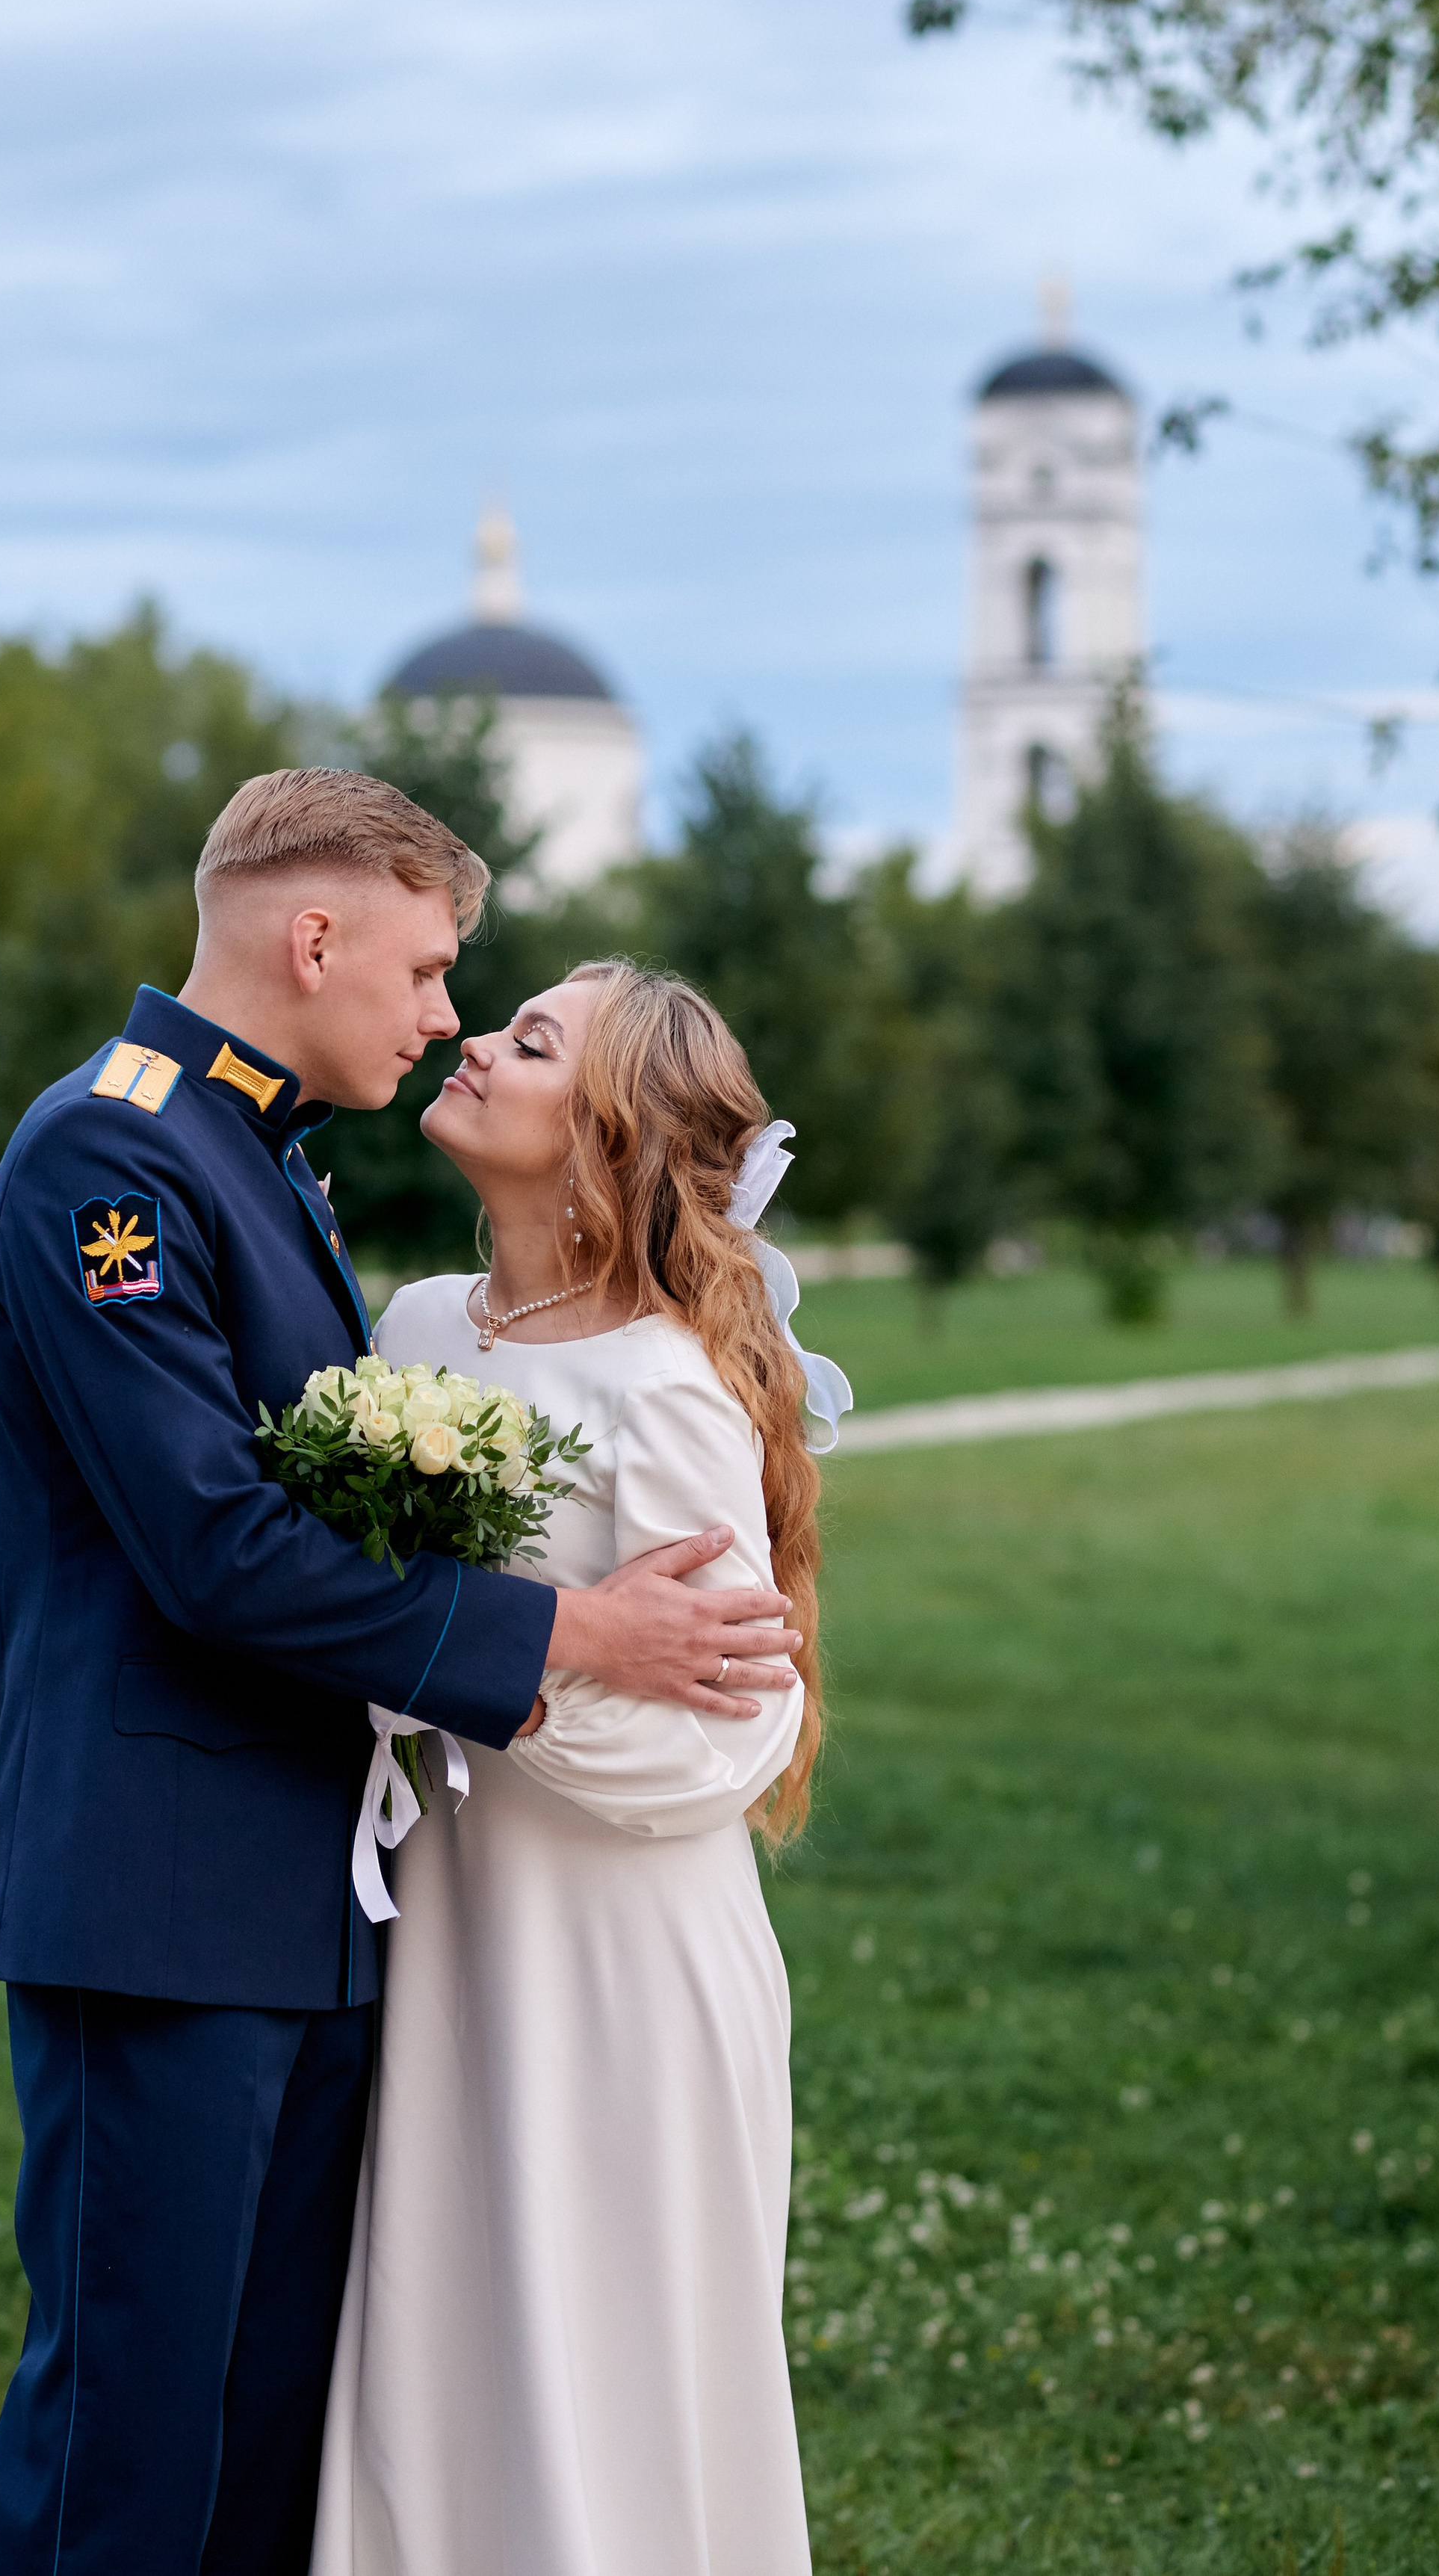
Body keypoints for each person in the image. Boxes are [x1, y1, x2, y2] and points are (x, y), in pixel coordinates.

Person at [0, 775, 800, 2576]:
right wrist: (571, 1633)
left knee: (270, 2436)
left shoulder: (254, 1155)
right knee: (131, 2433)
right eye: (431, 972)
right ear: (315, 935)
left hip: (325, 1906)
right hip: (165, 1890)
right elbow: (215, 1547)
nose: (439, 1020)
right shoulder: (108, 1157)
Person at [312, 957, 849, 2576]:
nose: (476, 1034)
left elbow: (725, 1726)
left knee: (601, 2362)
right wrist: (453, 1655)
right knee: (441, 2328)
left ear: (607, 1135)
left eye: (532, 1040)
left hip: (617, 1957)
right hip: (452, 1927)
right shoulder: (413, 1329)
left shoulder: (666, 1382)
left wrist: (480, 1679)